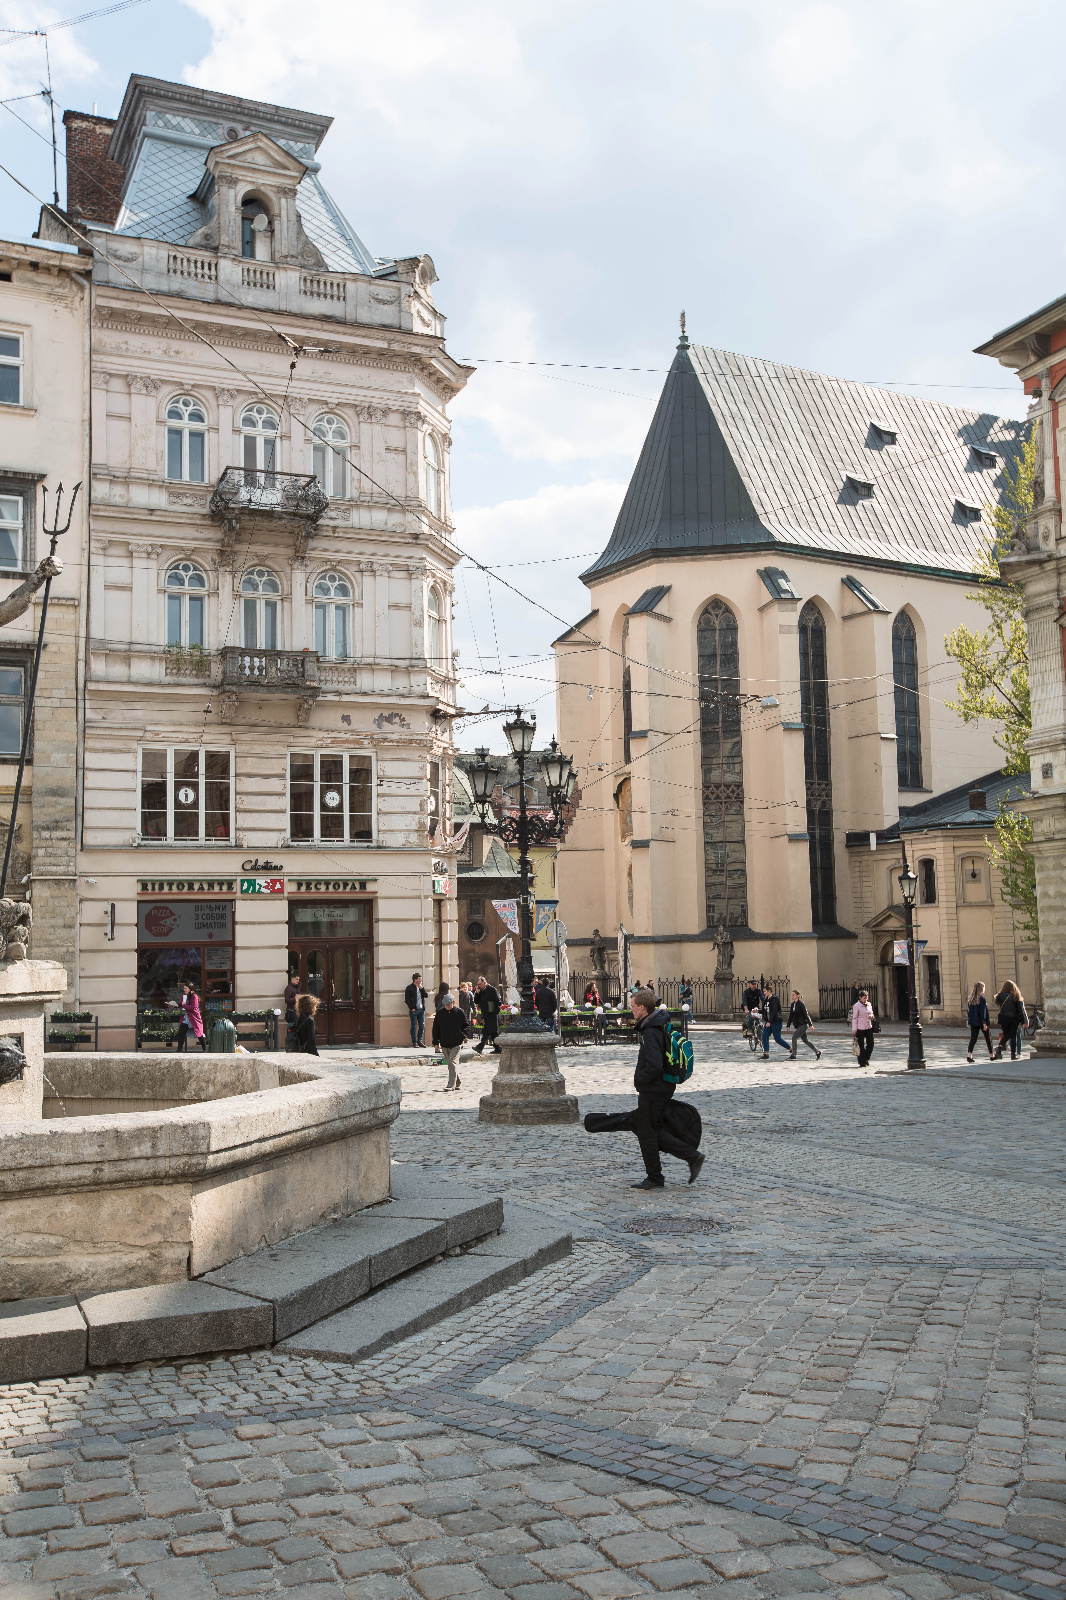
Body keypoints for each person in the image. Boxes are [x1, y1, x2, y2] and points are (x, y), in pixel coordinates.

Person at [629, 986, 704, 1189]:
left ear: (642, 1008)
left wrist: (640, 1080)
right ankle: (689, 1158)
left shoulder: (650, 1031)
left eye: (633, 1007)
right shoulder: (658, 1024)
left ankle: (656, 1176)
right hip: (662, 1086)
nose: (632, 1010)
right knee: (651, 1130)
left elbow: (654, 1065)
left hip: (653, 1089)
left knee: (647, 1132)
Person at [431, 992, 466, 1090]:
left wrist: (462, 1036)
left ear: (453, 1003)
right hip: (445, 1043)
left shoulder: (460, 1012)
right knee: (451, 1063)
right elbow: (435, 1029)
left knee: (452, 1062)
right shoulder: (440, 1014)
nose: (447, 1007)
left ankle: (451, 1085)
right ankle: (457, 1082)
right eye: (445, 1005)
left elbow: (466, 1026)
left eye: (449, 1005)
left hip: (456, 1043)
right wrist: (435, 1043)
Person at [993, 980, 1027, 1060]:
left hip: (1003, 1018)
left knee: (1006, 1035)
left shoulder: (999, 996)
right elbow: (1020, 1009)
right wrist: (1023, 1021)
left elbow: (997, 1003)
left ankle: (1000, 1047)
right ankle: (1013, 1054)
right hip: (1013, 1018)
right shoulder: (1015, 996)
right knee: (1013, 1036)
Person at [788, 990, 820, 1060]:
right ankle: (817, 1051)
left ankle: (793, 1055)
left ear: (797, 996)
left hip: (803, 1025)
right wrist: (788, 1025)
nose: (792, 996)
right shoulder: (792, 1004)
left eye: (793, 994)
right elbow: (791, 1015)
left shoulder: (801, 1004)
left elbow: (806, 1015)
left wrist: (811, 1025)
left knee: (794, 1038)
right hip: (798, 1025)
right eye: (792, 994)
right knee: (805, 1040)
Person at [966, 981, 994, 1062]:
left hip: (973, 1021)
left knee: (973, 1039)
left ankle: (969, 1055)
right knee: (988, 1038)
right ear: (981, 989)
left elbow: (968, 1012)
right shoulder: (981, 999)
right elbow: (983, 1011)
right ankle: (991, 1055)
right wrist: (984, 1022)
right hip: (981, 1022)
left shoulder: (971, 999)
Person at [473, 976, 502, 1054]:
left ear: (484, 983)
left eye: (480, 984)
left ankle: (480, 1047)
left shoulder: (492, 990)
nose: (478, 986)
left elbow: (498, 1002)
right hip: (486, 1014)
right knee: (493, 1032)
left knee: (486, 1031)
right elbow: (476, 1001)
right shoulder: (480, 991)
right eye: (477, 984)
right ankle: (498, 1048)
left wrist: (495, 1012)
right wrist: (477, 993)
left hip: (492, 1014)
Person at [761, 984, 789, 1058]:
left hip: (776, 1021)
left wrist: (769, 1022)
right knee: (764, 1036)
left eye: (765, 991)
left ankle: (790, 1048)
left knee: (777, 1039)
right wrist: (757, 1011)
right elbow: (764, 1010)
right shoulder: (765, 1000)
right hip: (768, 1021)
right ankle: (766, 1053)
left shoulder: (775, 999)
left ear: (769, 991)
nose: (764, 993)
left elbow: (774, 1012)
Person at [177, 982, 206, 1052]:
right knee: (181, 1032)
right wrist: (175, 1005)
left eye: (186, 988)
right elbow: (181, 1003)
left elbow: (193, 1007)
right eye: (184, 988)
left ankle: (204, 1049)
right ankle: (179, 1049)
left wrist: (184, 1005)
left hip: (194, 1018)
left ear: (190, 989)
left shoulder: (194, 996)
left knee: (199, 1033)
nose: (184, 990)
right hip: (186, 1018)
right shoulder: (183, 996)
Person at [851, 988, 876, 1068]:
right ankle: (862, 1062)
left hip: (868, 1026)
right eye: (864, 998)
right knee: (861, 1046)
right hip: (860, 1027)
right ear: (860, 998)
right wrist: (854, 1029)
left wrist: (872, 1016)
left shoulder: (869, 1004)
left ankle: (866, 1058)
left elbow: (872, 1013)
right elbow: (854, 1018)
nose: (865, 999)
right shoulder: (856, 1006)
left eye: (866, 998)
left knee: (871, 1044)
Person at [404, 973, 428, 1047]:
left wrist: (422, 989)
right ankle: (414, 1042)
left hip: (421, 1009)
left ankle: (419, 1041)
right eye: (419, 979)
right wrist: (411, 1008)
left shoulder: (420, 988)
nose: (421, 980)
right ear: (415, 979)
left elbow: (426, 995)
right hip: (414, 1010)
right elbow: (407, 999)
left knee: (422, 1026)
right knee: (414, 1026)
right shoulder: (409, 988)